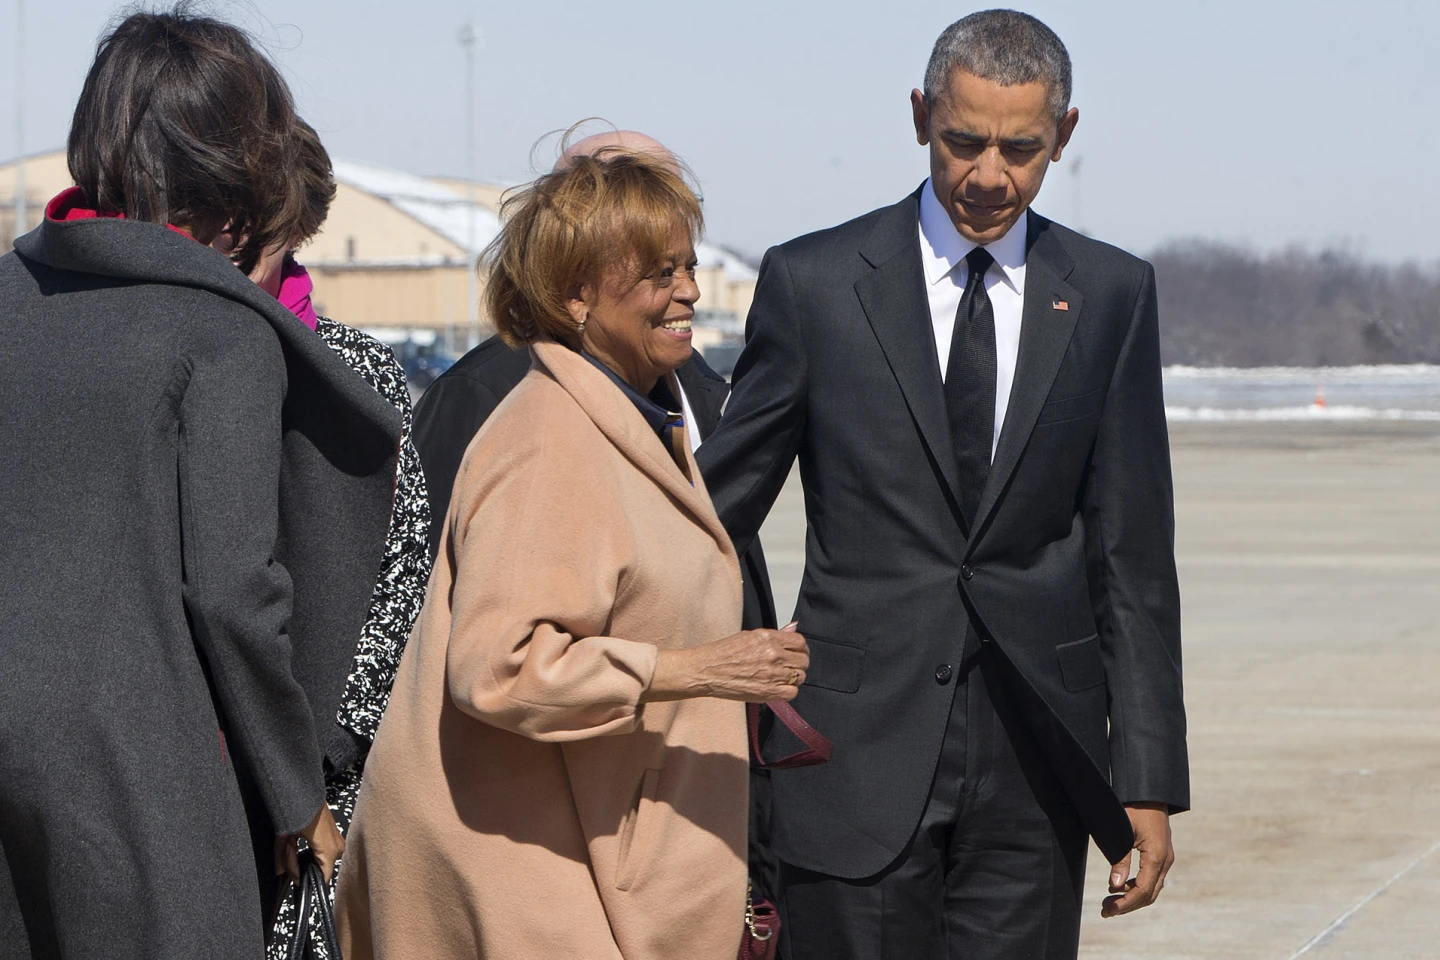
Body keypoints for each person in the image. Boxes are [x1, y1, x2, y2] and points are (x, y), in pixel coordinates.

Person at [697, 10, 1189, 959]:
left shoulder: (1110, 293)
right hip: (849, 755)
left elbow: (1133, 559)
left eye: (1022, 148)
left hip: (1037, 764)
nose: (989, 176)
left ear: (1066, 136)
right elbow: (721, 510)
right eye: (964, 141)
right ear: (920, 115)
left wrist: (1149, 778)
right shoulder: (815, 283)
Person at [335, 152, 809, 960]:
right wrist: (696, 670)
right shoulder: (549, 439)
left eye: (690, 266)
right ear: (573, 295)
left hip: (585, 858)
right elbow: (500, 667)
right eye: (660, 273)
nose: (690, 291)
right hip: (526, 879)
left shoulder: (634, 416)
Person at [0, 10, 399, 959]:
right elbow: (233, 591)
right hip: (137, 778)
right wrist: (297, 794)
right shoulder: (221, 333)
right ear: (240, 167)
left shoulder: (10, 297)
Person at [253, 123, 433, 960]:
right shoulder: (166, 352)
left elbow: (406, 572)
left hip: (334, 772)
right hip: (184, 764)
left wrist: (331, 755)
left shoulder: (362, 372)